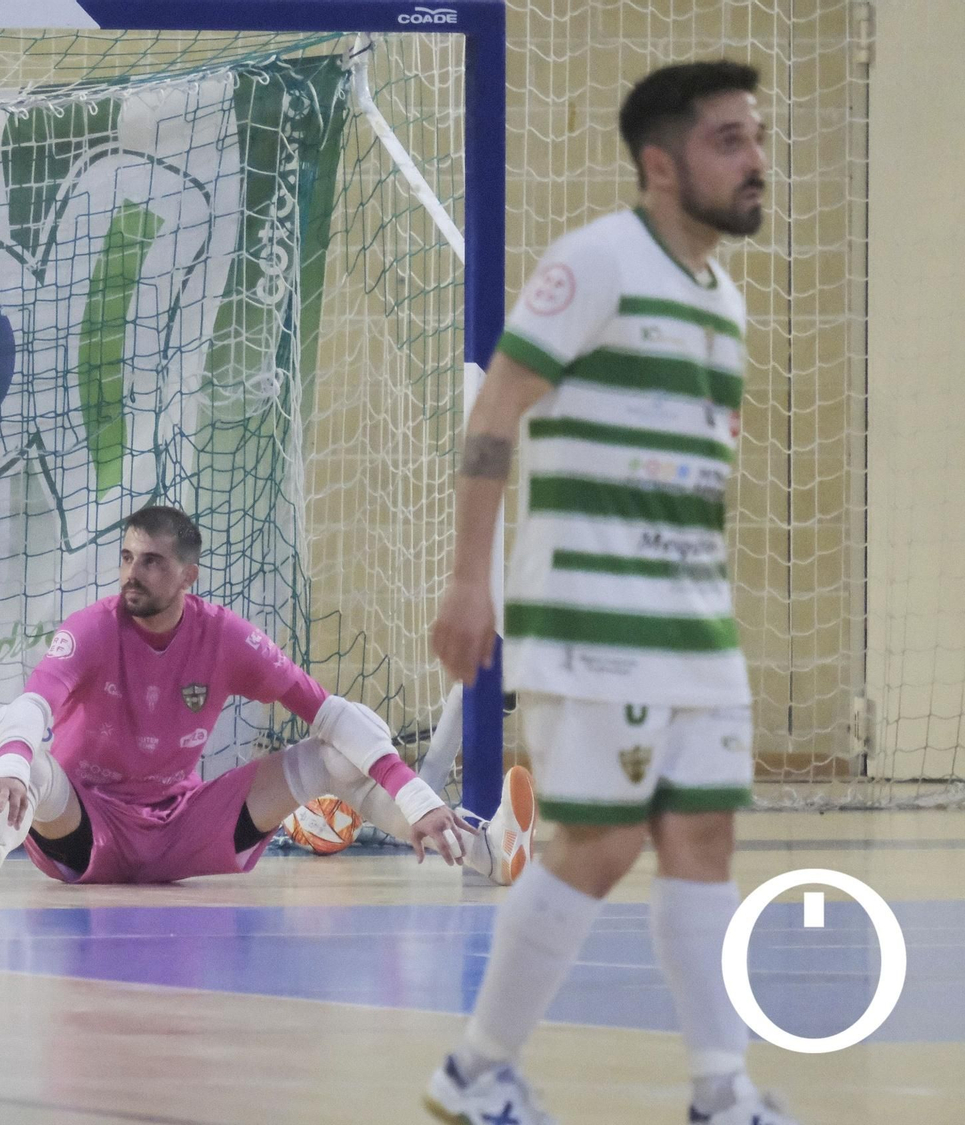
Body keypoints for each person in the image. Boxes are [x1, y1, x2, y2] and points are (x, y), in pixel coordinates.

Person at [421, 61, 795, 1125]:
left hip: (692, 623)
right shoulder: (593, 262)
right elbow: (493, 410)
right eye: (729, 140)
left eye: (756, 137)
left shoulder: (721, 296)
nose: (756, 160)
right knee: (598, 844)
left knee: (703, 838)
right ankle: (472, 1070)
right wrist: (466, 580)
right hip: (590, 617)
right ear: (659, 163)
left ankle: (719, 1091)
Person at [0, 504, 534, 891]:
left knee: (331, 753)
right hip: (84, 826)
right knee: (20, 750)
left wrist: (419, 800)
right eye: (127, 558)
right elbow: (32, 705)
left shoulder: (227, 638)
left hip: (184, 827)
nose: (132, 573)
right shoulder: (92, 629)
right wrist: (11, 769)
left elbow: (331, 715)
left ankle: (489, 853)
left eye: (151, 562)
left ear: (188, 576)